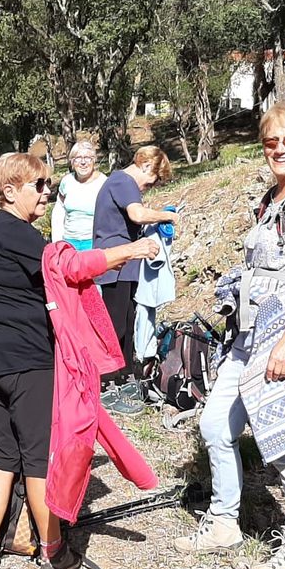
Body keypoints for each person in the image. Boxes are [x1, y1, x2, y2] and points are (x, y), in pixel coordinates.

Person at [0, 153, 157, 569]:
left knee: (3, 454)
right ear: (10, 191)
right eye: (39, 184)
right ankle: (53, 554)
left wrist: (105, 258)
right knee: (38, 459)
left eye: (49, 183)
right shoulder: (16, 232)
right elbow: (68, 265)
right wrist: (126, 250)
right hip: (27, 360)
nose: (47, 191)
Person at [174, 102, 285, 569]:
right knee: (214, 427)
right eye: (272, 142)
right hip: (248, 335)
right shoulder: (275, 197)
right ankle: (225, 521)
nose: (281, 150)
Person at [91, 145, 178, 415]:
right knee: (114, 326)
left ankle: (125, 377)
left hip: (126, 265)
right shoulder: (122, 181)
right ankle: (105, 385)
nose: (148, 187)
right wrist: (167, 215)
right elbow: (137, 214)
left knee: (127, 324)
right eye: (151, 180)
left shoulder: (122, 183)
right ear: (145, 166)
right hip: (115, 263)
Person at [50, 141, 106, 251]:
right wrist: (57, 241)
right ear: (72, 162)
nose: (83, 162)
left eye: (88, 158)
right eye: (78, 158)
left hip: (93, 242)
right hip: (69, 242)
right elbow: (59, 210)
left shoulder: (103, 182)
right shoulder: (67, 181)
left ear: (94, 160)